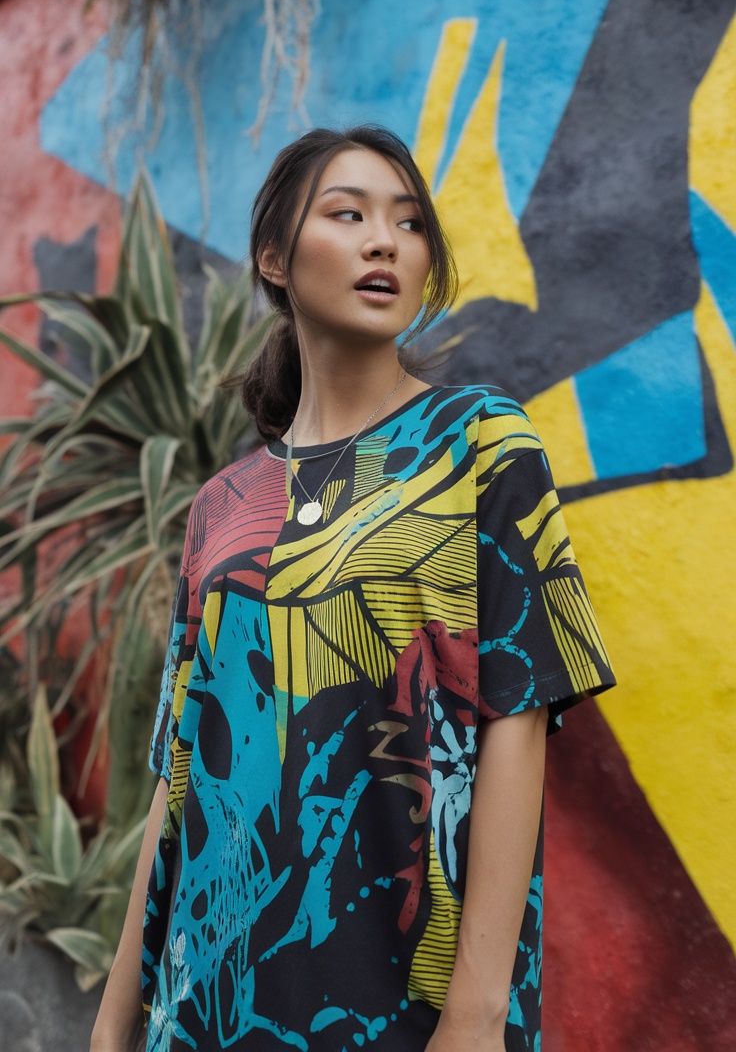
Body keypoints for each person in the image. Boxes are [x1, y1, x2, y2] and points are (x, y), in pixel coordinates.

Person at [90, 124, 616, 1052]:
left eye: (410, 225)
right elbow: (181, 778)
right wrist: (115, 1019)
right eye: (350, 214)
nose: (386, 241)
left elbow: (518, 714)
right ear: (274, 258)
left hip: (399, 992)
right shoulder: (221, 508)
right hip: (207, 1000)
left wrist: (475, 1016)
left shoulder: (480, 443)